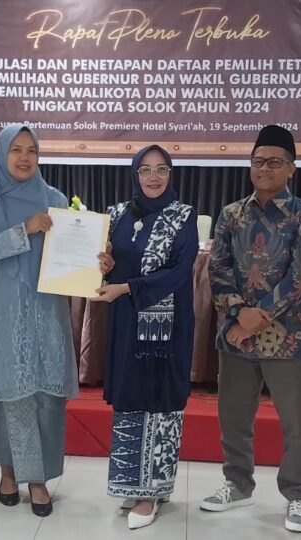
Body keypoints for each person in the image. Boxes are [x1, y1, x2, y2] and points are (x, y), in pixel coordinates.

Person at [203, 125, 301, 533]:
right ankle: (238, 484)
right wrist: (240, 313)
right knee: (234, 417)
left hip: (288, 337)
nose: (265, 169)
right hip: (237, 335)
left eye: (275, 162)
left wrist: (257, 317)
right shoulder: (231, 214)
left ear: (291, 168)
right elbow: (218, 270)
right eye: (258, 161)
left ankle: (297, 496)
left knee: (296, 424)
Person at [0, 124, 92, 517]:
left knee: (45, 396)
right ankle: (11, 473)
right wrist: (25, 229)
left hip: (47, 309)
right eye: (16, 149)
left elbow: (72, 251)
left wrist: (94, 259)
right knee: (11, 391)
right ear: (1, 154)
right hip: (5, 312)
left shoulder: (54, 199)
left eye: (31, 150)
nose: (24, 157)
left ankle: (38, 478)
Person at [89, 145, 197, 530]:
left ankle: (151, 492)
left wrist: (126, 288)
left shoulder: (183, 215)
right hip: (126, 323)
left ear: (171, 174)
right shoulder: (118, 214)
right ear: (135, 174)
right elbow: (112, 264)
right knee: (131, 398)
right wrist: (105, 266)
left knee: (160, 400)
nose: (154, 177)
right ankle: (133, 482)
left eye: (161, 169)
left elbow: (178, 273)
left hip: (165, 328)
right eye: (146, 170)